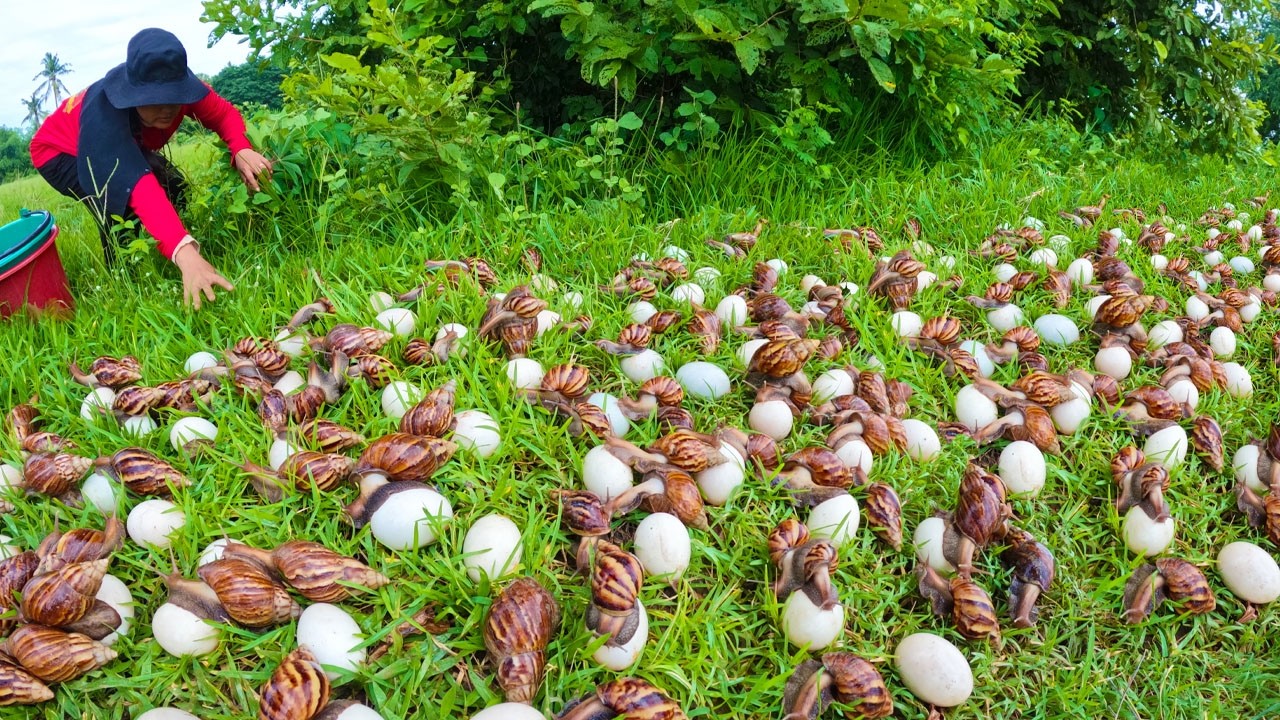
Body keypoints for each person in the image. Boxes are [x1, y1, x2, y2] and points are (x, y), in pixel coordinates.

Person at [29, 27, 274, 310]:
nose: (168, 108)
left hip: (124, 142)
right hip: (60, 152)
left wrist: (240, 148)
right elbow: (139, 186)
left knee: (174, 186)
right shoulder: (105, 116)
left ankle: (166, 240)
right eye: (155, 99)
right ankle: (125, 279)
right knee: (117, 205)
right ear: (132, 95)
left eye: (174, 96)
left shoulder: (184, 87)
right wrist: (184, 251)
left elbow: (223, 114)